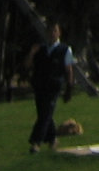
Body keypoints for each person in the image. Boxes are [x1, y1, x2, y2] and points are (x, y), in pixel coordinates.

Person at [29, 25, 74, 153]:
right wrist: (32, 53)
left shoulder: (65, 50)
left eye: (54, 31)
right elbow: (28, 64)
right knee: (44, 113)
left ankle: (36, 142)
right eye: (49, 31)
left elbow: (68, 69)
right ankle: (53, 138)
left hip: (54, 85)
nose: (52, 34)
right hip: (40, 85)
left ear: (59, 33)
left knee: (46, 113)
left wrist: (69, 88)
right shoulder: (41, 49)